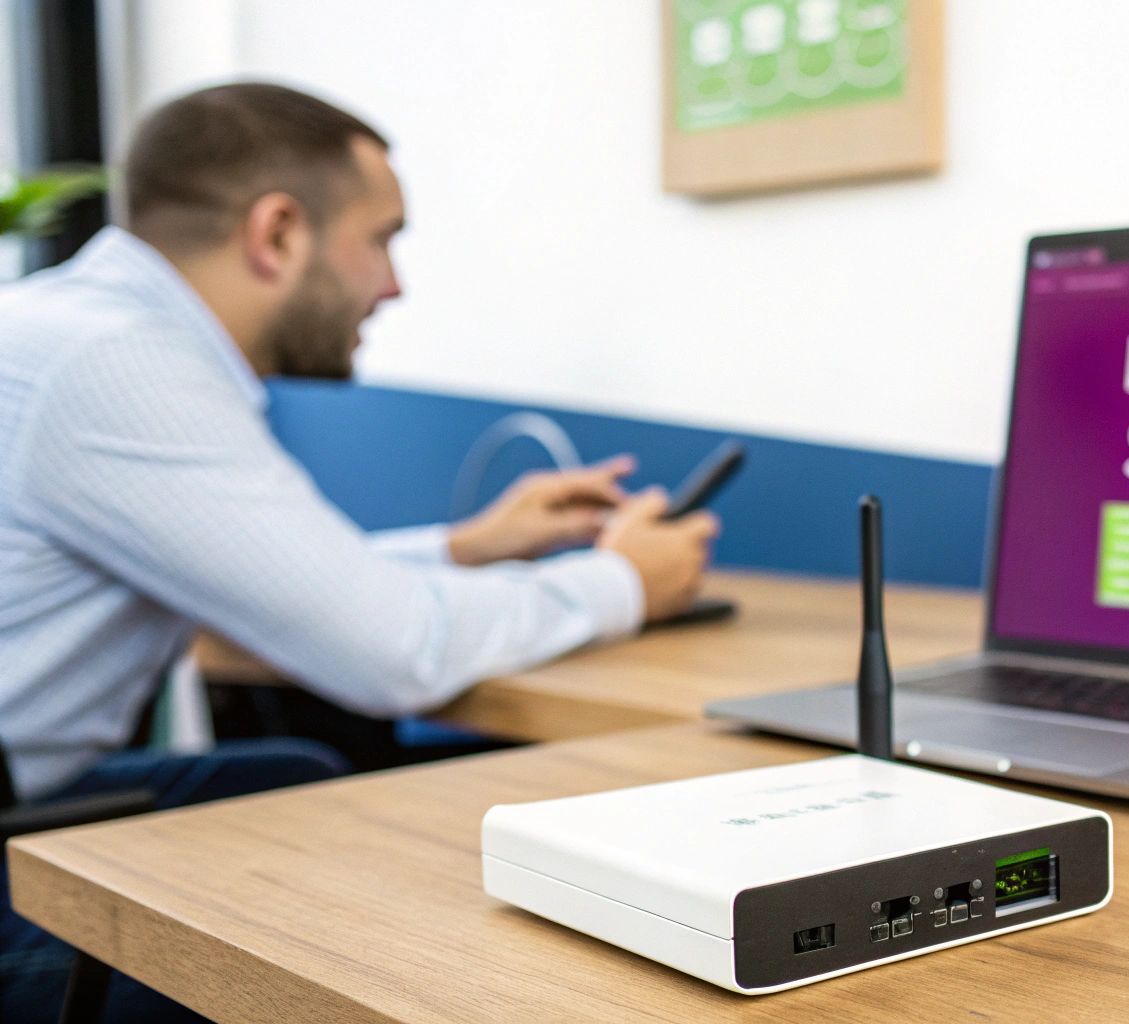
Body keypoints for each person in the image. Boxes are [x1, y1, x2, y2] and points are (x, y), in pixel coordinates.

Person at [0, 82, 718, 1022]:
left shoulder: (70, 331)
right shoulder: (121, 368)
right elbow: (394, 653)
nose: (393, 284)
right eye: (382, 239)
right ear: (279, 233)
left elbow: (267, 573)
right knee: (366, 928)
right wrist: (625, 579)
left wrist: (465, 549)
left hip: (34, 788)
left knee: (292, 783)